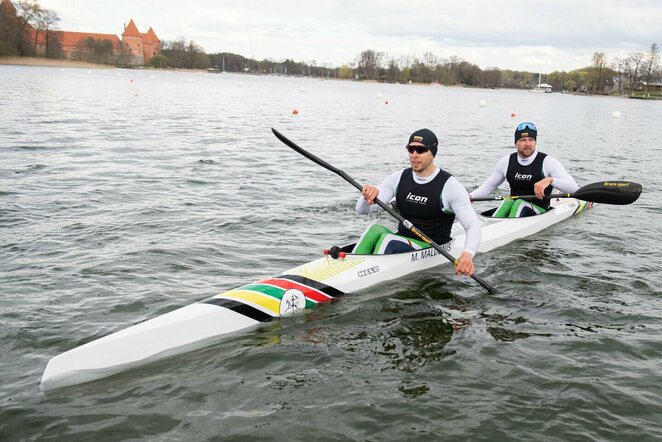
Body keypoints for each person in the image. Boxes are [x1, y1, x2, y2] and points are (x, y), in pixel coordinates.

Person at [354, 128, 481, 277]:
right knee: (374, 229)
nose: (414, 155)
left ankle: (359, 277)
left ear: (432, 152)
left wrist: (467, 254)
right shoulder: (398, 178)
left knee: (387, 240)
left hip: (432, 246)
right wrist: (366, 197)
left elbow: (472, 225)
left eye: (420, 150)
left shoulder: (450, 186)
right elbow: (362, 211)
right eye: (410, 149)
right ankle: (350, 269)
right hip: (402, 240)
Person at [469, 122, 579, 217]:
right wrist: (470, 198)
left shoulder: (548, 162)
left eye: (531, 139)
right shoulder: (506, 161)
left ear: (535, 142)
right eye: (523, 140)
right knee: (508, 201)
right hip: (514, 207)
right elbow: (489, 186)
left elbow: (574, 189)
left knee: (518, 203)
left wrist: (550, 180)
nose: (527, 144)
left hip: (540, 210)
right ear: (515, 142)